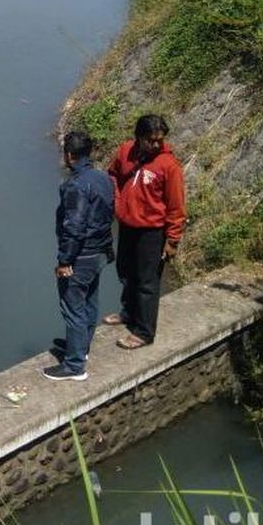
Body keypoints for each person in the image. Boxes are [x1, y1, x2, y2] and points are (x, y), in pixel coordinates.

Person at [105, 114, 186, 349]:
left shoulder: (168, 166)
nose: (156, 144)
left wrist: (173, 238)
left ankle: (144, 331)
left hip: (152, 231)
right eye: (151, 140)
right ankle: (128, 312)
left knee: (147, 281)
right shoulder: (125, 152)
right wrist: (118, 201)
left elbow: (176, 205)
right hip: (128, 225)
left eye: (159, 140)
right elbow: (113, 174)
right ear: (139, 138)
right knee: (127, 271)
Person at [43, 130, 115, 382]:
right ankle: (81, 349)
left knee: (73, 307)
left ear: (69, 156)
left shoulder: (76, 185)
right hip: (100, 252)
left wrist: (64, 261)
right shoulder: (103, 178)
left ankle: (74, 366)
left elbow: (74, 226)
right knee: (89, 302)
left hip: (80, 257)